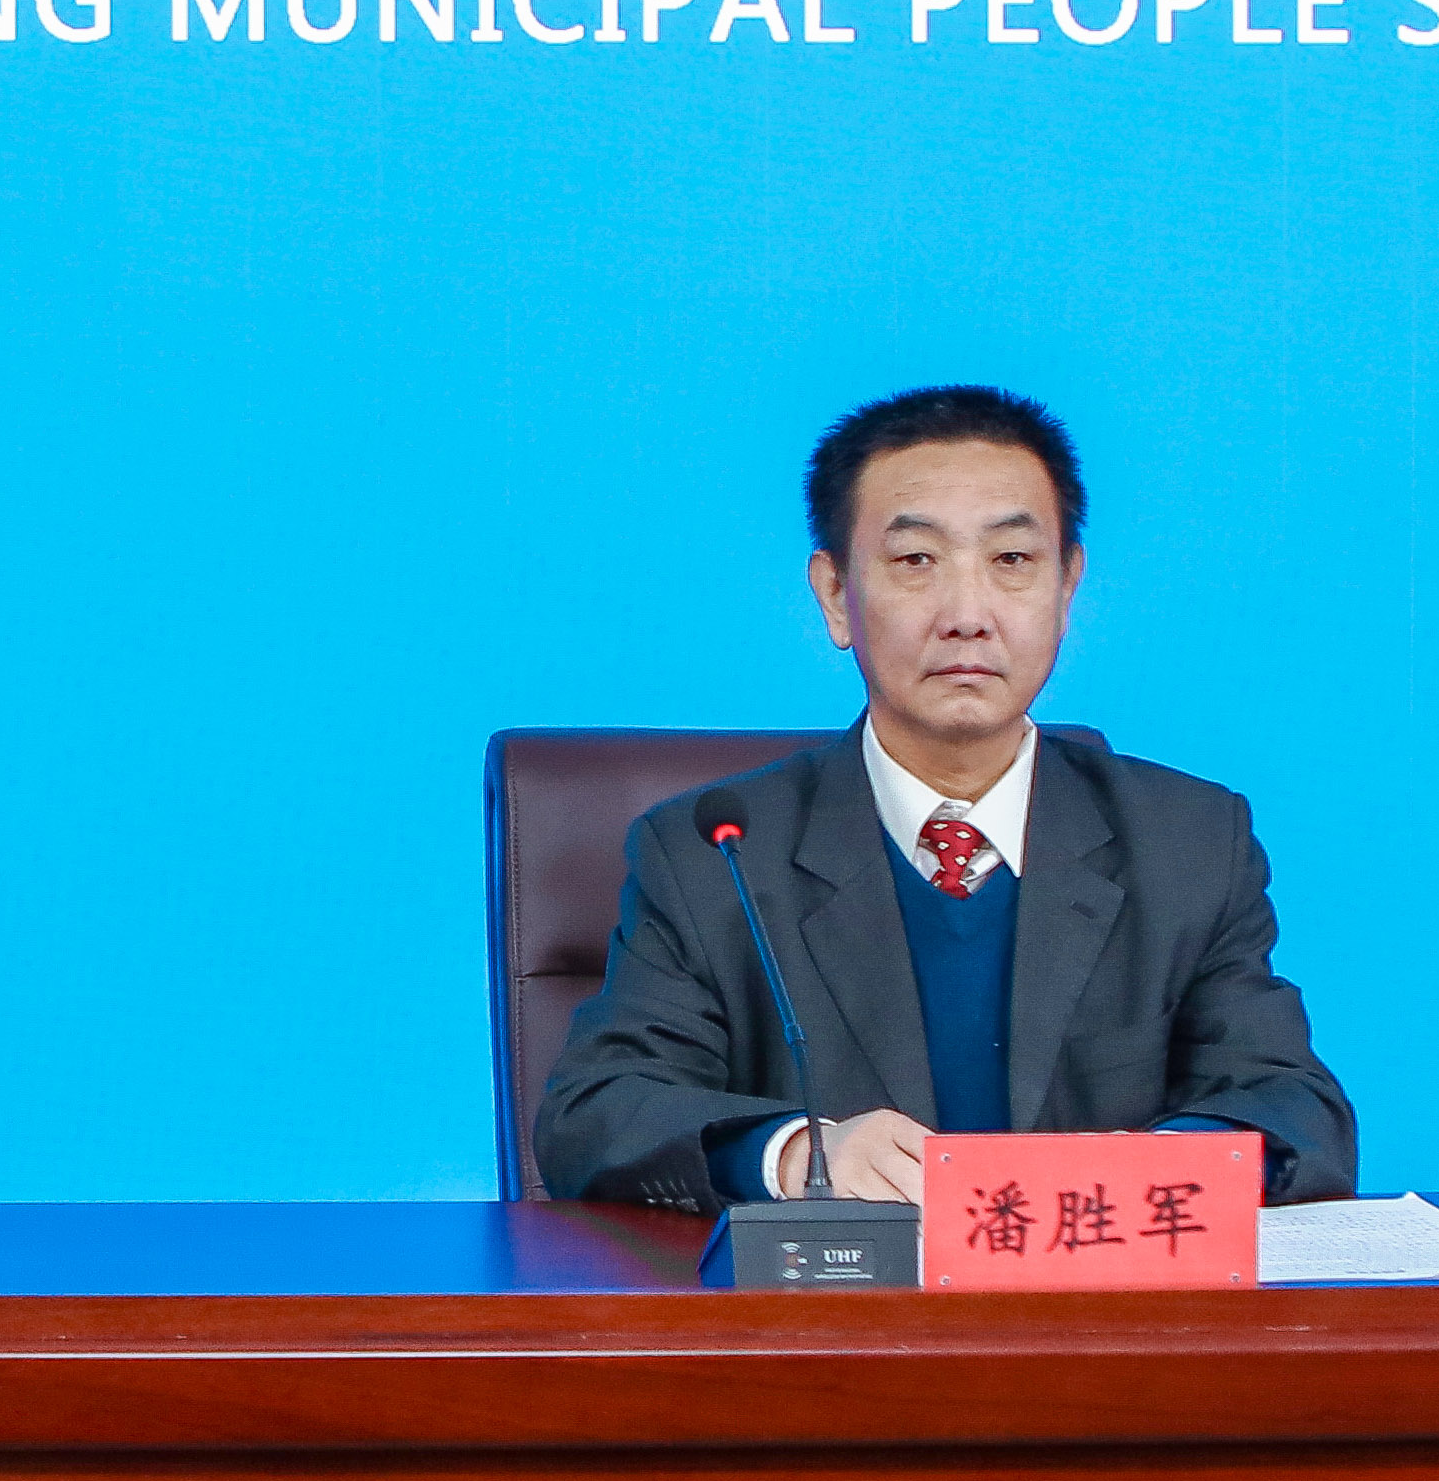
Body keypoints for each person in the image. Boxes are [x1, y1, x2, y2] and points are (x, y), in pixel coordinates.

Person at [535, 385, 1354, 1210]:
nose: (967, 615)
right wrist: (796, 1155)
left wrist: (1159, 1168)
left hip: (1096, 1284)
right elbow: (594, 1113)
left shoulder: (1188, 843)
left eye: (1011, 560)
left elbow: (1294, 1109)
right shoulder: (716, 852)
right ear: (835, 595)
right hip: (848, 1293)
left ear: (1067, 587)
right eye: (915, 561)